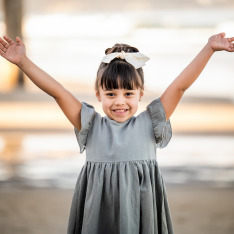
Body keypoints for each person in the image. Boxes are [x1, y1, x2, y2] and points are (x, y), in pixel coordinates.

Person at [0, 33, 233, 234]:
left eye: (128, 93)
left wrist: (209, 48)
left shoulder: (151, 121)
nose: (119, 102)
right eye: (110, 94)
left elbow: (180, 86)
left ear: (140, 94)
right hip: (100, 211)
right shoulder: (89, 124)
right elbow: (58, 92)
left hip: (140, 208)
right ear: (98, 94)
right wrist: (22, 61)